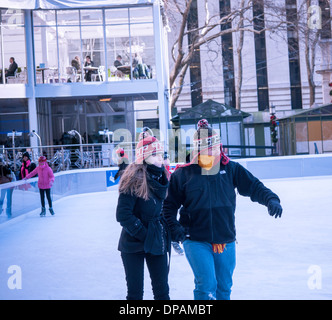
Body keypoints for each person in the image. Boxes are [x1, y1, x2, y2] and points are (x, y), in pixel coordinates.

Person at [163, 119, 283, 300]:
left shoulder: (231, 169)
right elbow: (169, 207)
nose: (212, 152)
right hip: (195, 239)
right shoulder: (183, 174)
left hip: (225, 239)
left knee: (224, 286)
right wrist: (174, 229)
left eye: (215, 147)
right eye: (206, 148)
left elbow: (254, 187)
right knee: (206, 284)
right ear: (197, 149)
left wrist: (271, 200)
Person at [116, 130, 170, 300]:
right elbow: (123, 215)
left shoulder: (161, 177)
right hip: (133, 244)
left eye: (161, 154)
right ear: (144, 157)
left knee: (162, 292)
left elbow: (163, 210)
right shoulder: (133, 179)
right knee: (135, 294)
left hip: (155, 240)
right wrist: (145, 235)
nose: (160, 158)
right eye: (155, 155)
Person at [164, 151, 184, 255]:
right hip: (161, 199)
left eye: (167, 158)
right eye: (165, 158)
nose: (167, 160)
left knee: (171, 219)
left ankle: (174, 240)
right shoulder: (158, 169)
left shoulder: (171, 171)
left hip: (170, 198)